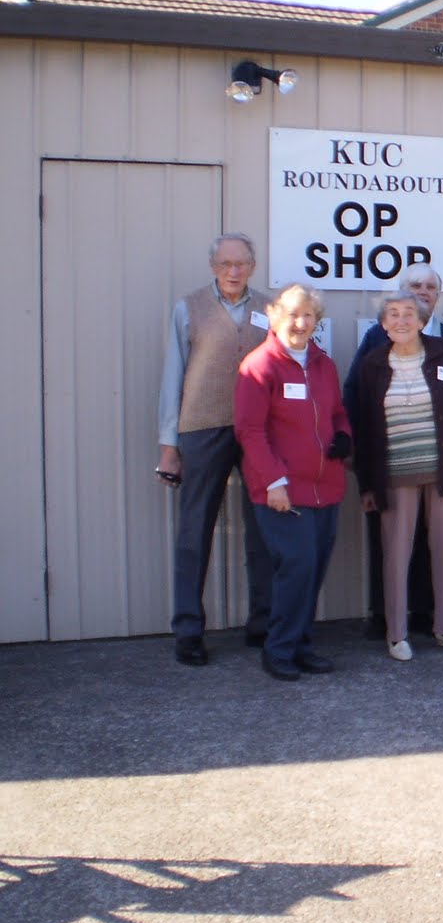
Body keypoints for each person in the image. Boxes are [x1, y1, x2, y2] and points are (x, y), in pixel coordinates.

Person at [352, 292, 443, 661]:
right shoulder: (371, 365)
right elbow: (364, 430)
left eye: (408, 314)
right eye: (393, 315)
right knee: (396, 554)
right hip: (395, 475)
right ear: (383, 324)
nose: (401, 320)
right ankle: (397, 635)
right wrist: (366, 484)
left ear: (422, 320)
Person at [157, 232, 273, 666]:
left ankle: (261, 623)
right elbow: (174, 375)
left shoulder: (269, 309)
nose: (233, 271)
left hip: (258, 429)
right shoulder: (189, 308)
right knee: (194, 530)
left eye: (241, 263)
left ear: (253, 266)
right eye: (225, 264)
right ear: (213, 266)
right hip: (202, 427)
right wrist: (169, 445)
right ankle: (188, 629)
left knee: (262, 528)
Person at [233, 285, 351, 682]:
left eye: (307, 315)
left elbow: (336, 412)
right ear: (274, 315)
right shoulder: (259, 365)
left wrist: (343, 434)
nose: (299, 323)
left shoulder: (324, 364)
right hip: (282, 490)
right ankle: (278, 649)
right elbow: (250, 431)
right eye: (292, 314)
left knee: (312, 569)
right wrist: (274, 481)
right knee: (295, 567)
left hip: (325, 486)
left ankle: (300, 645)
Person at [345, 263, 443, 639]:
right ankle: (386, 619)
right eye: (416, 285)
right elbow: (355, 394)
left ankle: (429, 617)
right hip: (392, 462)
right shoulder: (375, 339)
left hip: (439, 462)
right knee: (392, 543)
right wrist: (359, 458)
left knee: (438, 544)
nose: (423, 291)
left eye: (431, 286)